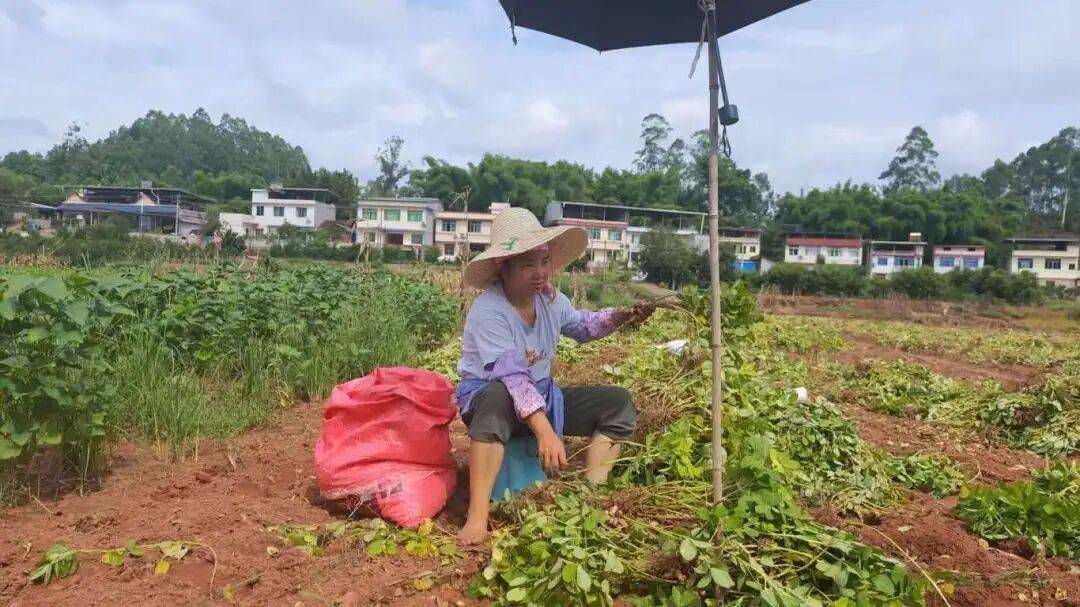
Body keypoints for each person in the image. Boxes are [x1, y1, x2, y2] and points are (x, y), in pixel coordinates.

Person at [454, 208, 654, 545]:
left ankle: (592, 495)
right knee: (498, 395)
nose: (539, 272)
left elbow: (582, 327)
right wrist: (546, 432)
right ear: (504, 268)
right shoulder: (489, 311)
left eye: (543, 262)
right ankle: (477, 517)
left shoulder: (550, 300)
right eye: (527, 264)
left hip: (541, 396)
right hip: (492, 403)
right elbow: (513, 378)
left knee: (617, 404)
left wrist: (621, 316)